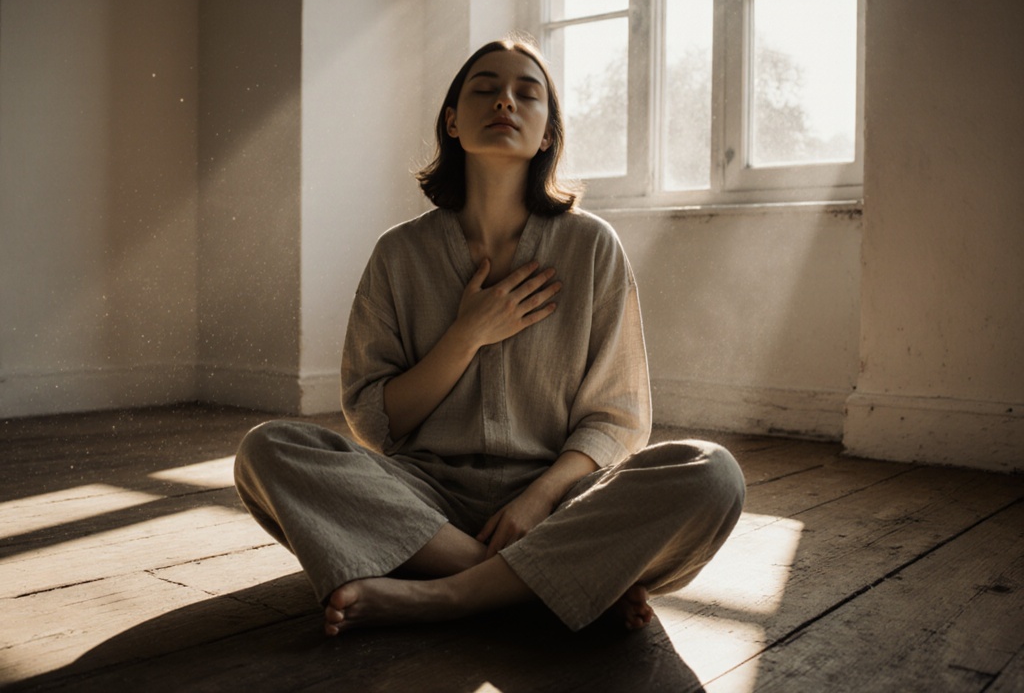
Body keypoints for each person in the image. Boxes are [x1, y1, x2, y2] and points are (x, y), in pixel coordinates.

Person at [234, 37, 745, 637]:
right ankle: (543, 581)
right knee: (266, 451)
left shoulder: (592, 246)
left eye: (527, 93)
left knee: (713, 474)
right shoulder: (399, 254)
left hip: (560, 502)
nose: (505, 100)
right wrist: (466, 334)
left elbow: (619, 417)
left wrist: (539, 500)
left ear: (548, 133)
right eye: (484, 89)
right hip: (424, 501)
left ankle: (450, 595)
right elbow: (375, 421)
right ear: (452, 122)